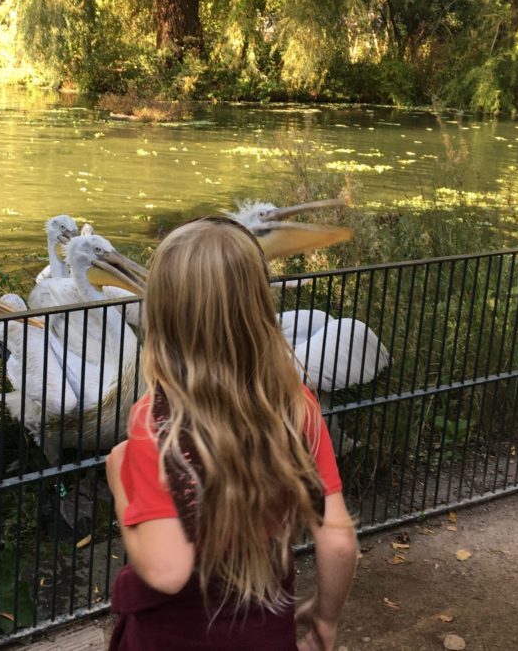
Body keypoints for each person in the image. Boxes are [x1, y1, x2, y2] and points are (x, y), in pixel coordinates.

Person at [105, 216, 358, 650]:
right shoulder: (297, 406)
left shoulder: (155, 422)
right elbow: (337, 541)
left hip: (175, 633)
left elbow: (166, 571)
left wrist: (120, 485)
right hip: (263, 621)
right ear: (259, 305)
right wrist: (325, 618)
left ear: (163, 314)